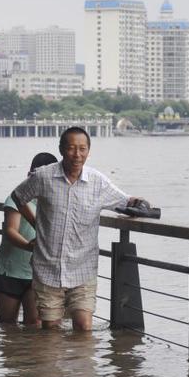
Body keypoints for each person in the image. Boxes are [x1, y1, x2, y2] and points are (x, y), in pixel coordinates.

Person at [11, 126, 145, 331]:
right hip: (48, 266)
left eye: (82, 149)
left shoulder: (97, 182)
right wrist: (36, 223)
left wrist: (140, 203)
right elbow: (18, 197)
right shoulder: (43, 177)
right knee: (51, 330)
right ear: (61, 149)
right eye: (72, 148)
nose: (77, 154)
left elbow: (124, 200)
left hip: (83, 268)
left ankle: (80, 363)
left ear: (88, 151)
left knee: (84, 327)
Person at [0, 152, 58, 324]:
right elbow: (11, 230)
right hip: (10, 271)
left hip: (38, 274)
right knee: (7, 324)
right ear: (30, 175)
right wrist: (30, 247)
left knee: (34, 326)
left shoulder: (55, 202)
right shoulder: (17, 198)